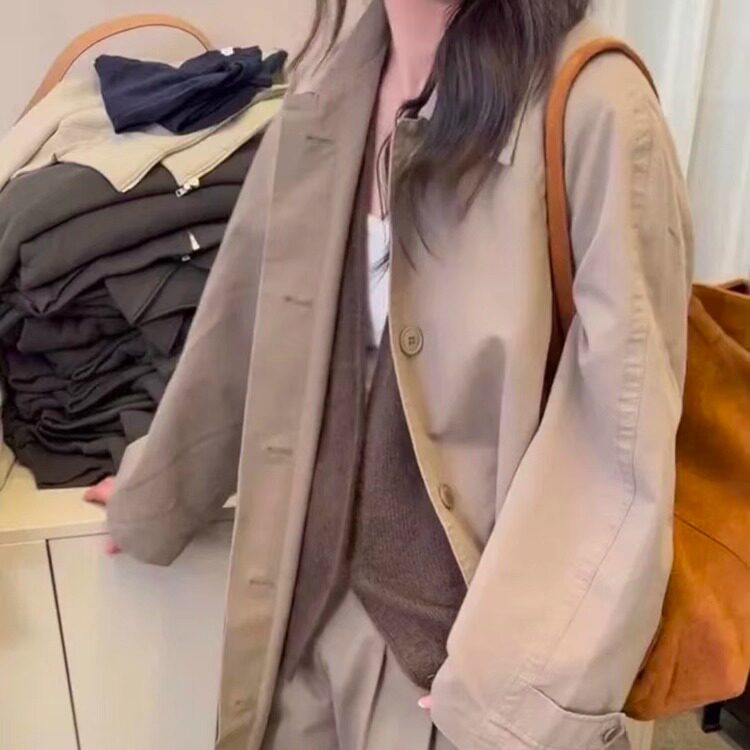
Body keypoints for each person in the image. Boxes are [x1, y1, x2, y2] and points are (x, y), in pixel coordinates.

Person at [85, 0, 694, 748]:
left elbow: (620, 445)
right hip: (295, 631)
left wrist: (517, 689)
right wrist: (155, 494)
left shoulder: (597, 107)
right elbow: (243, 323)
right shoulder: (325, 95)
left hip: (459, 668)